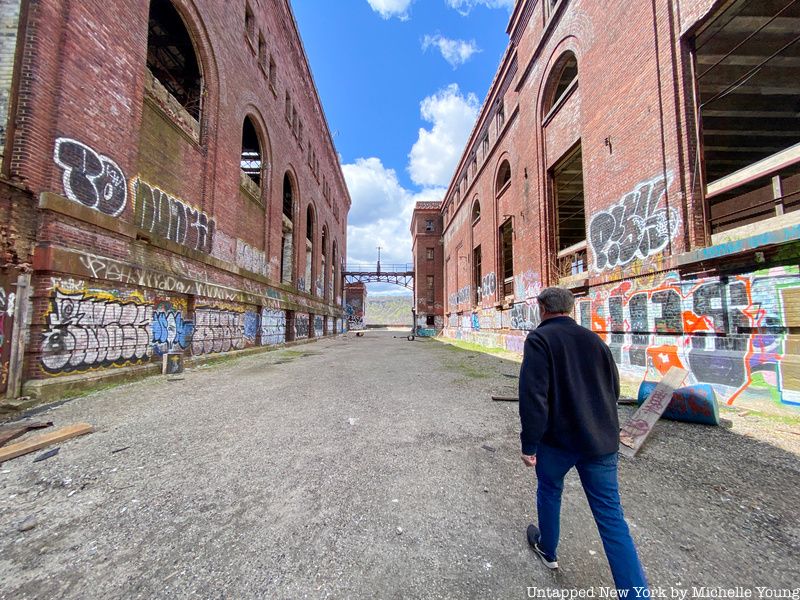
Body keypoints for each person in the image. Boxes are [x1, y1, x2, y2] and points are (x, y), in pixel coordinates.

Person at [518, 286, 647, 592]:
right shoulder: (595, 341)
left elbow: (534, 398)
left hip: (558, 443)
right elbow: (612, 390)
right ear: (570, 309)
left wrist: (529, 445)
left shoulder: (540, 339)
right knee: (612, 519)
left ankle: (548, 551)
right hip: (600, 442)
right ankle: (636, 594)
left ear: (542, 308)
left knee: (549, 490)